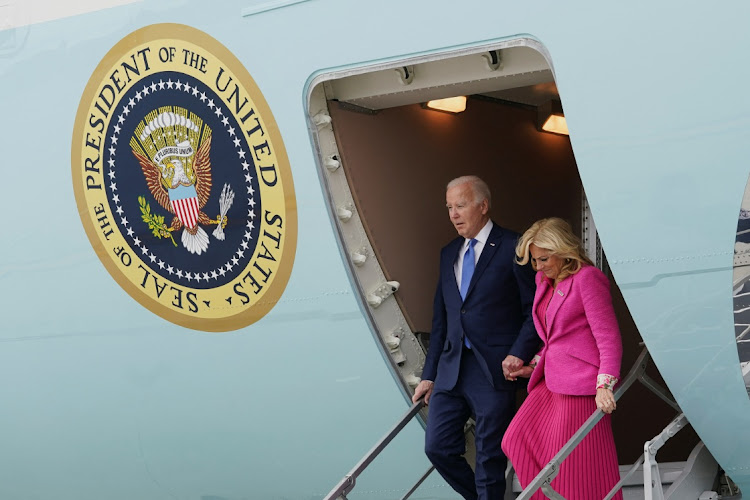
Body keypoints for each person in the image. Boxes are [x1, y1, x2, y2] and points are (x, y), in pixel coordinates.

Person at [412, 175, 539, 500]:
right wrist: (429, 376)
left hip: (494, 368)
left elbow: (533, 311)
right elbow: (441, 320)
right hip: (451, 369)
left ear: (483, 205)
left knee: (489, 460)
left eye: (461, 205)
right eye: (449, 207)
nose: (453, 214)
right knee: (437, 447)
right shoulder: (448, 252)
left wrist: (518, 353)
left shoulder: (514, 246)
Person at [501, 217, 623, 500]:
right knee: (515, 439)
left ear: (564, 250)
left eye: (544, 259)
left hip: (581, 385)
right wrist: (531, 366)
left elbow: (608, 337)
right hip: (550, 379)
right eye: (534, 260)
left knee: (572, 469)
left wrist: (605, 385)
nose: (539, 266)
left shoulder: (588, 279)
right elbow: (554, 335)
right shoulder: (544, 280)